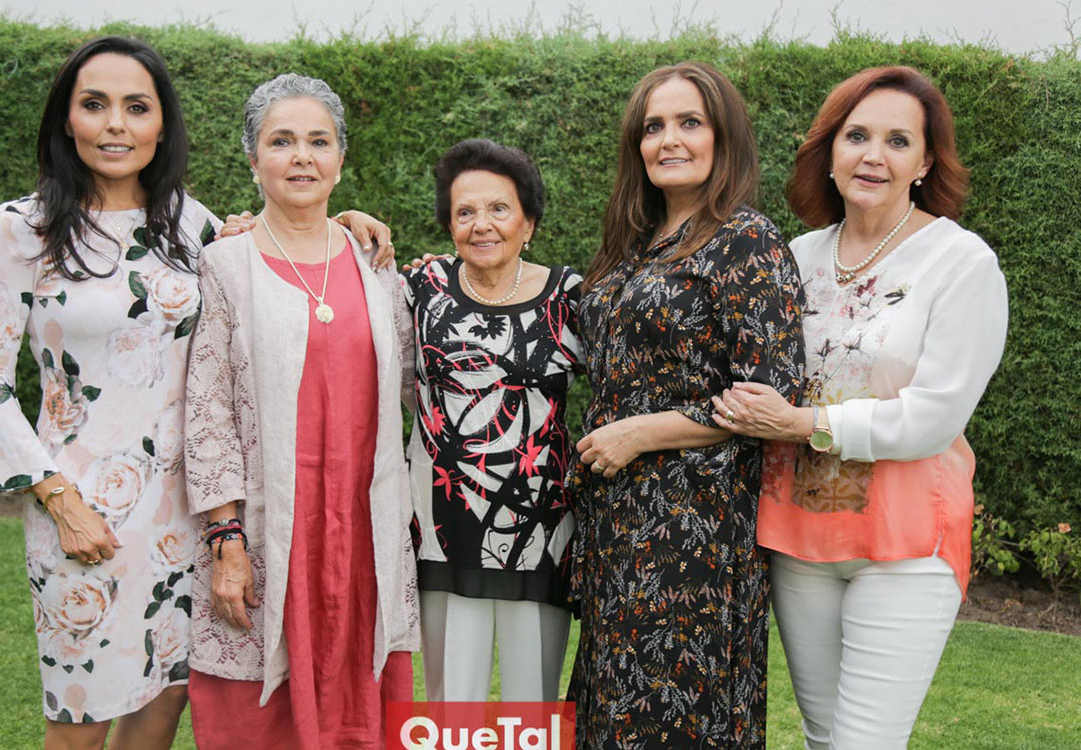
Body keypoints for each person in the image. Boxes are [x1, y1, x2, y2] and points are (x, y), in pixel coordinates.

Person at [712, 66, 1008, 750]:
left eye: (898, 141)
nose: (874, 155)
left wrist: (802, 424)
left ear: (925, 162)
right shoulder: (795, 257)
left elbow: (935, 416)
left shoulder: (960, 263)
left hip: (906, 543)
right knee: (823, 738)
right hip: (799, 537)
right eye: (857, 136)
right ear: (830, 151)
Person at [0, 36, 218, 750]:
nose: (116, 124)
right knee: (80, 722)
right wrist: (61, 502)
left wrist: (348, 226)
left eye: (136, 107)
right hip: (79, 512)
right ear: (67, 120)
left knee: (164, 704)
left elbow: (281, 258)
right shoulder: (22, 228)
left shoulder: (196, 227)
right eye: (95, 105)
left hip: (185, 512)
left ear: (163, 123)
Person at [567, 61, 805, 749]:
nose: (669, 139)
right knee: (610, 714)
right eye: (654, 126)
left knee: (673, 717)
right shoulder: (633, 247)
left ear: (722, 137)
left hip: (693, 527)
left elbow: (768, 393)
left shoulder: (746, 240)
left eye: (689, 122)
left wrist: (642, 433)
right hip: (616, 523)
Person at [182, 72, 418, 750]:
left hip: (362, 533)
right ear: (252, 158)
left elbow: (419, 378)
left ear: (341, 158)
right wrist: (226, 541)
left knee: (362, 708)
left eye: (319, 141)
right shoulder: (225, 266)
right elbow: (207, 413)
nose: (302, 157)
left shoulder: (377, 266)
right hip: (267, 531)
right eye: (281, 141)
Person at [403, 138, 584, 701]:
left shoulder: (570, 297)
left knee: (533, 705)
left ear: (529, 222)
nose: (481, 224)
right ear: (449, 226)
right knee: (450, 706)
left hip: (538, 525)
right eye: (465, 212)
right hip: (443, 524)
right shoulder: (421, 289)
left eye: (499, 209)